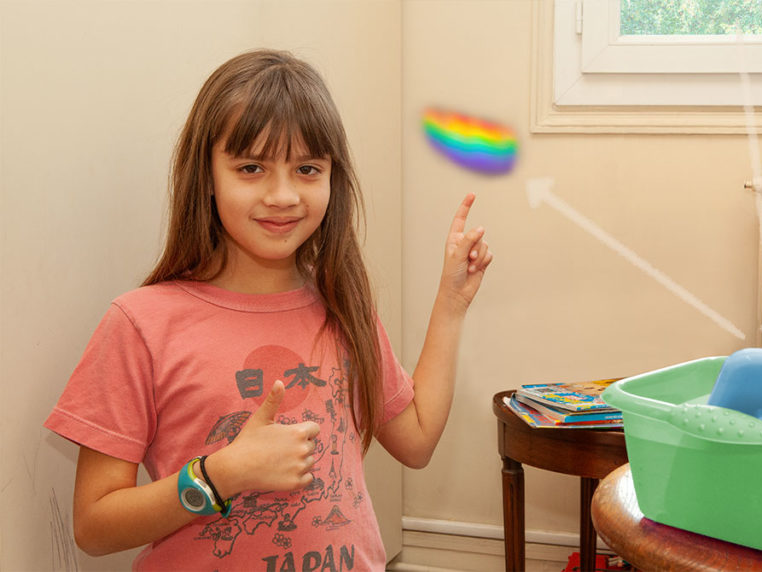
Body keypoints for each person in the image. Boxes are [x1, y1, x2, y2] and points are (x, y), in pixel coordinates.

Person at [44, 48, 493, 571]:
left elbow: (415, 440)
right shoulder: (140, 323)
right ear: (206, 175)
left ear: (333, 179)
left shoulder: (343, 307)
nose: (283, 195)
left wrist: (453, 302)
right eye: (251, 168)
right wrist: (222, 475)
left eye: (307, 169)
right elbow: (94, 527)